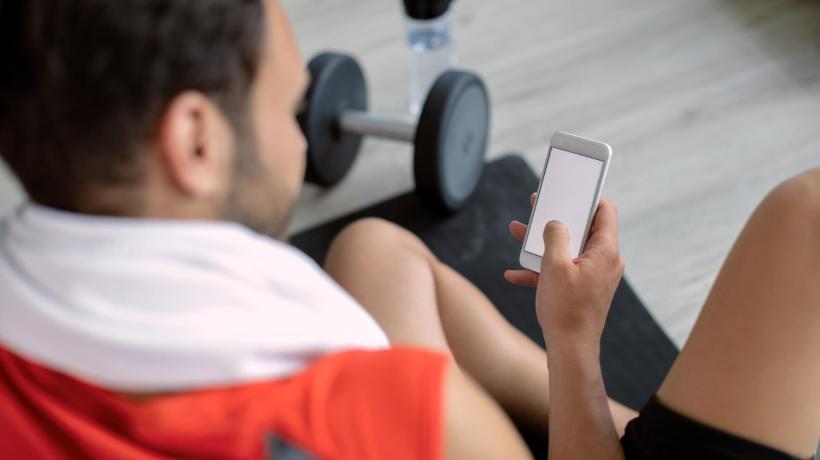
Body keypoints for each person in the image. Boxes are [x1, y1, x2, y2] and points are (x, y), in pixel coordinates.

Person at [0, 0, 817, 459]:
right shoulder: (409, 422)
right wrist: (573, 341)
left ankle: (624, 422)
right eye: (291, 110)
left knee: (372, 250)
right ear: (198, 143)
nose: (300, 142)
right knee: (807, 217)